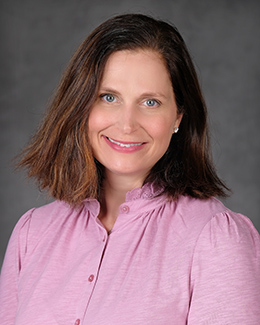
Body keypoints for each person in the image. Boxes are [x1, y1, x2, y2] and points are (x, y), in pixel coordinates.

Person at [0, 13, 259, 325]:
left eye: (150, 102)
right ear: (80, 105)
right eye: (108, 97)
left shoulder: (216, 239)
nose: (126, 124)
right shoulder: (32, 234)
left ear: (178, 117)